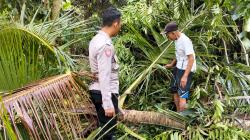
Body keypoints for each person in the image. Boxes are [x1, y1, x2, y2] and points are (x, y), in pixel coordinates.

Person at [88, 7, 122, 140]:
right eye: (120, 23)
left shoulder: (95, 39)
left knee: (102, 131)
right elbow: (104, 75)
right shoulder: (105, 45)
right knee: (108, 133)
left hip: (98, 91)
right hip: (104, 93)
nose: (120, 26)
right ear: (115, 23)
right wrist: (108, 104)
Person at [161, 22, 196, 112]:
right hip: (178, 67)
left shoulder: (185, 41)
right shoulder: (176, 39)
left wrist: (185, 76)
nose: (167, 38)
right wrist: (172, 64)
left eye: (168, 35)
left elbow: (191, 58)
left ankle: (181, 119)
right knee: (175, 90)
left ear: (173, 33)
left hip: (186, 69)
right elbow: (179, 54)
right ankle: (177, 114)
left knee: (182, 95)